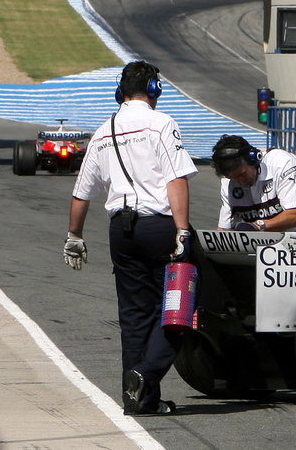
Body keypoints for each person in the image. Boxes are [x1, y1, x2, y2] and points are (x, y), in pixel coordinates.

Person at [64, 61, 197, 417]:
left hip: (120, 233)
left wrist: (73, 236)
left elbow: (82, 194)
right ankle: (146, 374)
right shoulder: (161, 123)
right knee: (180, 309)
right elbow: (176, 179)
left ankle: (138, 399)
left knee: (134, 315)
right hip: (160, 227)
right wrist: (183, 231)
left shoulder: (103, 131)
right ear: (154, 90)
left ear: (119, 92)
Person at [211, 135, 296, 233]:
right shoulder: (228, 183)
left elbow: (294, 216)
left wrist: (257, 225)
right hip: (272, 239)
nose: (240, 182)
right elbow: (224, 230)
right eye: (233, 178)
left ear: (253, 159)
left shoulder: (282, 163)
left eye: (242, 174)